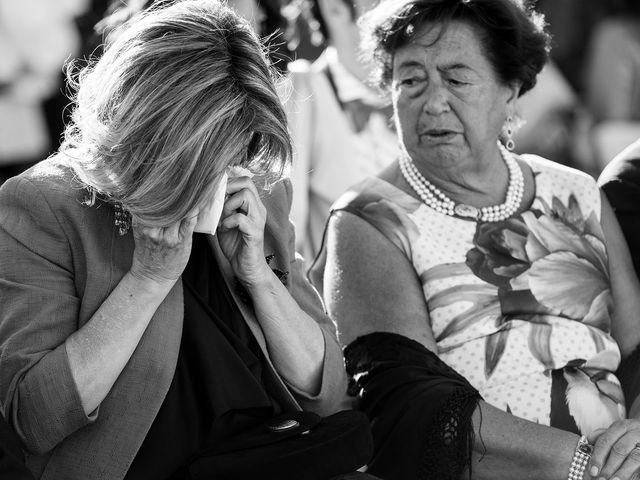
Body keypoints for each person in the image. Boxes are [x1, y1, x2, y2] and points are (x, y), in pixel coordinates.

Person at [0, 1, 375, 479]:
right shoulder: (43, 205)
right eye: (206, 155)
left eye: (237, 152)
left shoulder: (254, 188)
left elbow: (325, 391)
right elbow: (36, 419)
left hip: (274, 455)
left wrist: (259, 277)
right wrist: (148, 278)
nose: (224, 172)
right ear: (148, 135)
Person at [308, 0, 640, 479]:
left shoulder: (577, 192)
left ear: (510, 88)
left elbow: (635, 348)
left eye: (457, 79)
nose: (433, 102)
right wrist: (579, 466)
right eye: (411, 80)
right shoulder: (369, 221)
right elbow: (410, 404)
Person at [284, 0, 400, 263]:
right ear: (334, 7)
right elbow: (289, 224)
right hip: (333, 290)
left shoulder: (414, 90)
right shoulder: (303, 90)